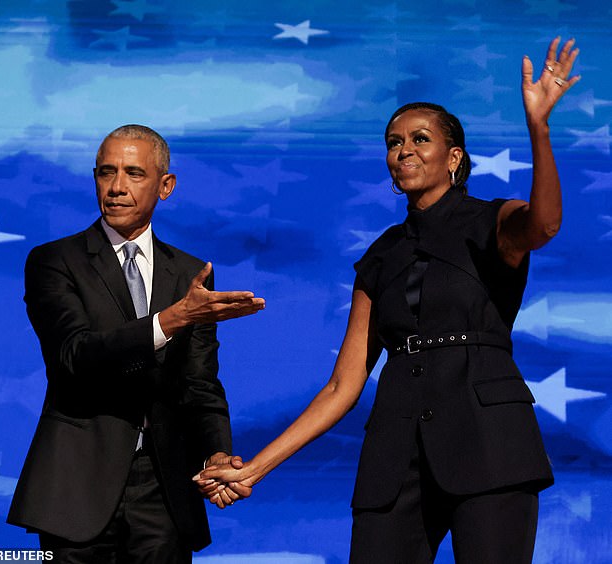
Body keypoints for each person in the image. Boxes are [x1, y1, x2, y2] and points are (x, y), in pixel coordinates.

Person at [195, 37, 580, 563]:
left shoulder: (491, 219)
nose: (404, 150)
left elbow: (546, 223)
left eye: (420, 139)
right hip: (394, 456)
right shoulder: (381, 255)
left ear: (454, 157)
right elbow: (342, 386)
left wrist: (539, 127)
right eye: (394, 142)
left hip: (490, 444)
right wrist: (255, 468)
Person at [7, 124, 265, 563]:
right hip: (77, 489)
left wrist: (217, 453)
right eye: (106, 173)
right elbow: (74, 355)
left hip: (163, 490)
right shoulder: (54, 260)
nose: (117, 187)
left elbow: (199, 383)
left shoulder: (189, 273)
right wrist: (174, 318)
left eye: (133, 173)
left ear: (166, 186)